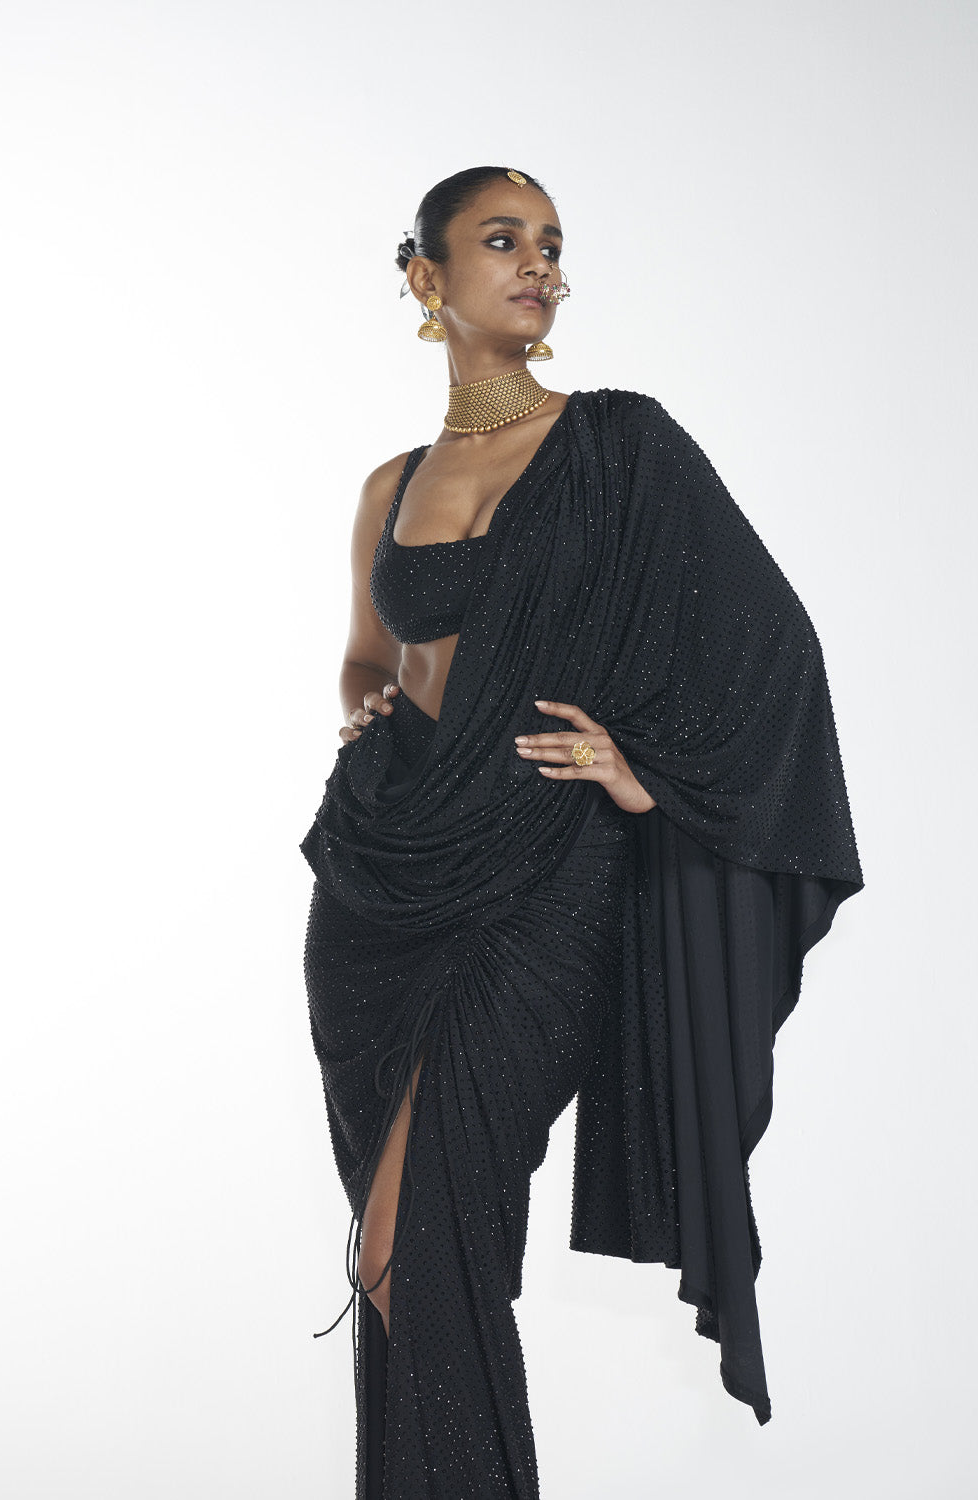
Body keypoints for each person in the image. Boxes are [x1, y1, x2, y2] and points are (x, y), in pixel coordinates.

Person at [298, 165, 864, 1499]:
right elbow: (368, 654)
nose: (538, 265)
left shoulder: (623, 448)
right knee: (396, 1261)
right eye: (502, 241)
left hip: (549, 877)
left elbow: (774, 648)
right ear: (427, 278)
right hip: (381, 885)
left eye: (550, 245)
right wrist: (364, 707)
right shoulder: (389, 486)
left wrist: (639, 771)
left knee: (417, 1239)